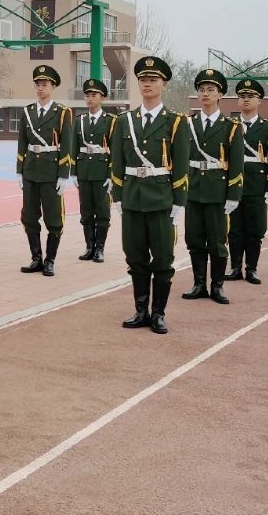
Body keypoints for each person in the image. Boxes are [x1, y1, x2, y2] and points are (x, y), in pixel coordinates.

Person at [110, 56, 189, 335]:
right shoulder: (124, 121)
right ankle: (140, 310)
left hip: (161, 199)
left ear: (164, 84)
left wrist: (179, 202)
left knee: (163, 259)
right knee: (135, 256)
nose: (147, 84)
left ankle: (158, 313)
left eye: (153, 79)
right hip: (132, 197)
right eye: (143, 79)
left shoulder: (176, 122)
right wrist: (117, 196)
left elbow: (180, 165)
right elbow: (117, 161)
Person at [183, 69, 245, 304]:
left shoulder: (231, 126)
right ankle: (199, 284)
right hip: (193, 190)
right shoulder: (187, 124)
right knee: (195, 241)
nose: (205, 94)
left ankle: (217, 286)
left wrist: (234, 195)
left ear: (220, 95)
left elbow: (236, 164)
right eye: (201, 89)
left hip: (218, 193)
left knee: (218, 243)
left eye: (211, 90)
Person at [16, 65, 74, 277]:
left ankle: (50, 260)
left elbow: (67, 144)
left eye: (45, 84)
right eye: (38, 84)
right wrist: (19, 171)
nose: (40, 88)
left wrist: (63, 174)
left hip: (51, 173)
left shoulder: (62, 113)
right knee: (29, 216)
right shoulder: (27, 112)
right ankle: (36, 258)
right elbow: (22, 142)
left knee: (53, 219)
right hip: (31, 170)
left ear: (53, 86)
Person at [225, 78, 268, 285]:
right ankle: (235, 268)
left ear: (259, 101)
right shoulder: (229, 126)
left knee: (255, 230)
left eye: (251, 96)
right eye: (242, 96)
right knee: (234, 230)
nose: (246, 100)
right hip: (233, 186)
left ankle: (252, 269)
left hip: (257, 186)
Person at [73, 78, 116, 263]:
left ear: (102, 98)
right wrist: (74, 172)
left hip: (101, 172)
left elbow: (115, 150)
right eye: (87, 95)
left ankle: (100, 248)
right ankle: (89, 247)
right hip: (84, 172)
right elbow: (74, 147)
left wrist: (111, 174)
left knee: (103, 211)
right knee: (86, 211)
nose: (90, 98)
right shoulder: (80, 120)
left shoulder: (111, 121)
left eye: (94, 95)